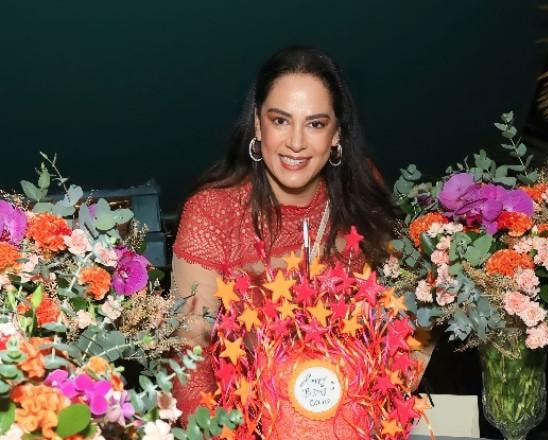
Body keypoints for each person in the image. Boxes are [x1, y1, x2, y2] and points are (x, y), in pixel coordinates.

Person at [171, 46, 426, 438]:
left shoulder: (362, 192)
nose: (295, 143)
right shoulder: (212, 213)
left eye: (315, 124)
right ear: (258, 125)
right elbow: (190, 357)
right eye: (280, 120)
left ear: (337, 133)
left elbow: (398, 322)